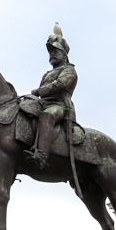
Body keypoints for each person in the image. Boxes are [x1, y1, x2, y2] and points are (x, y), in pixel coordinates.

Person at [28, 23, 78, 168]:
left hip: (60, 105)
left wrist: (39, 91)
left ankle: (41, 156)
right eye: (50, 52)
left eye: (56, 51)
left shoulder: (69, 70)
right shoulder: (47, 74)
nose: (52, 54)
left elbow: (60, 84)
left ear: (64, 54)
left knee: (47, 116)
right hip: (43, 103)